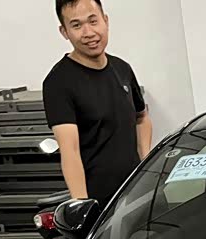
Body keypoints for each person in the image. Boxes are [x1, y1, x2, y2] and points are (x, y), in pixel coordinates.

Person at [43, 0, 152, 205]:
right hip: (99, 202)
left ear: (106, 21)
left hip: (136, 192)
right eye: (76, 25)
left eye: (93, 21)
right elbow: (70, 151)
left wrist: (146, 161)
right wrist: (82, 205)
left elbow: (142, 117)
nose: (88, 33)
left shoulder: (122, 69)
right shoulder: (58, 82)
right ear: (64, 32)